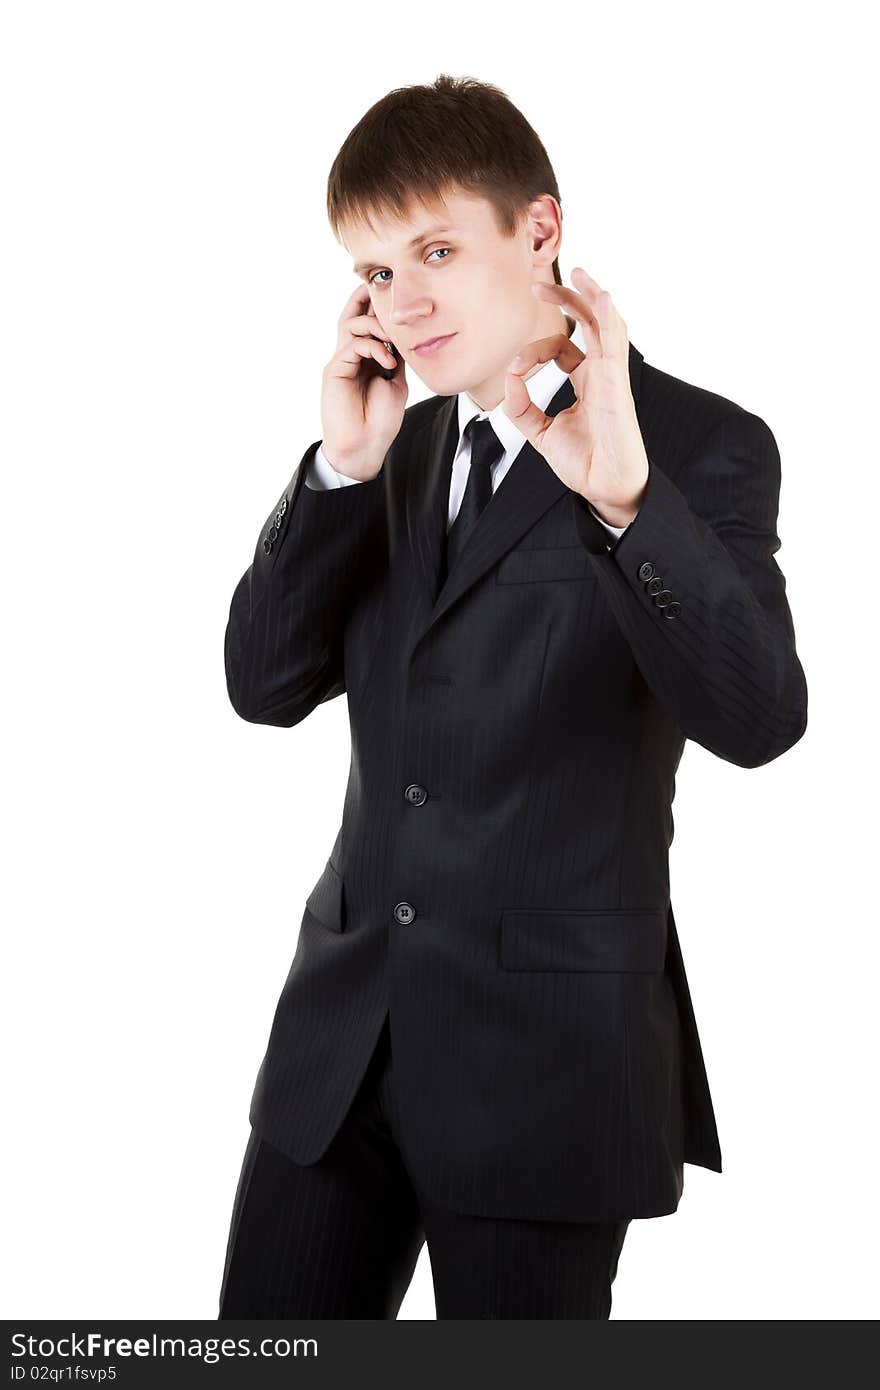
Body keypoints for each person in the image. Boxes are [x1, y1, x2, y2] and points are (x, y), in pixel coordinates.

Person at [218, 74, 808, 1320]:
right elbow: (264, 687)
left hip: (544, 1072)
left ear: (540, 231)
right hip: (339, 1056)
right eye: (374, 272)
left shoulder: (697, 445)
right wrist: (336, 469)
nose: (403, 300)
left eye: (434, 249)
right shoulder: (394, 445)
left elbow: (756, 719)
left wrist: (626, 507)